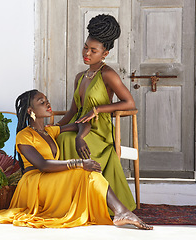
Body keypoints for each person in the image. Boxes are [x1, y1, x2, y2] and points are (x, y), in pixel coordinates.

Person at [0, 89, 152, 230]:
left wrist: (80, 137)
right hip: (34, 183)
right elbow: (42, 165)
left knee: (89, 174)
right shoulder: (24, 135)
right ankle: (121, 212)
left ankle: (121, 212)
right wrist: (78, 163)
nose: (48, 104)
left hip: (50, 179)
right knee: (83, 172)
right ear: (30, 110)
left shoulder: (50, 131)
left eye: (47, 100)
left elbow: (82, 123)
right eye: (42, 102)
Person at [56, 14, 136, 212]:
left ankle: (84, 201)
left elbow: (129, 103)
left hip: (98, 132)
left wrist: (98, 109)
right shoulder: (80, 77)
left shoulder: (108, 74)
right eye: (85, 47)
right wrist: (54, 128)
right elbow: (73, 111)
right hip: (77, 126)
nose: (87, 53)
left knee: (66, 140)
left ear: (105, 53)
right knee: (59, 137)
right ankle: (66, 200)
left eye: (93, 50)